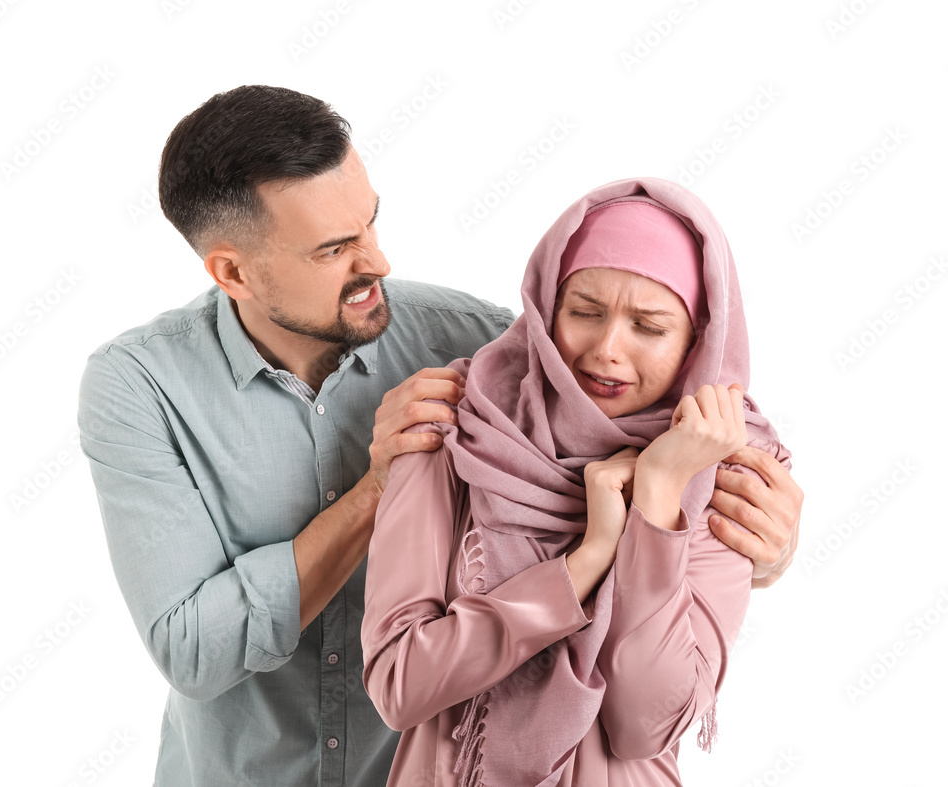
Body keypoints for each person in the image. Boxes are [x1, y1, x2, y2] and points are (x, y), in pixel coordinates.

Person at [77, 84, 802, 787]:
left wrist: (759, 547)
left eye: (371, 223)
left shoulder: (485, 353)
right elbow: (194, 650)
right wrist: (377, 488)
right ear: (231, 271)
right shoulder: (140, 386)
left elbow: (632, 463)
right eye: (334, 249)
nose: (378, 263)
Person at [361, 179, 793, 786]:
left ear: (697, 339)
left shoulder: (726, 465)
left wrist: (659, 499)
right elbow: (399, 684)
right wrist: (583, 565)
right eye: (584, 312)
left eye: (649, 327)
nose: (607, 349)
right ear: (546, 309)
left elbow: (645, 724)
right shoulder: (457, 426)